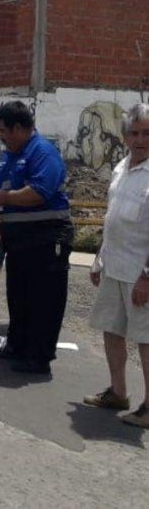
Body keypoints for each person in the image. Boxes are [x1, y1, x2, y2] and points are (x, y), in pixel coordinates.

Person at [0, 101, 72, 374]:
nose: (2, 137)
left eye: (4, 131)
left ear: (19, 128)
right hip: (19, 241)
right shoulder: (12, 154)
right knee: (18, 294)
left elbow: (38, 192)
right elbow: (0, 185)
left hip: (46, 238)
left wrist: (2, 197)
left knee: (44, 298)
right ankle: (17, 345)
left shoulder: (43, 152)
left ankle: (40, 356)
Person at [84, 103, 149, 427]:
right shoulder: (122, 167)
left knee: (147, 340)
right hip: (115, 267)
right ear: (125, 137)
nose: (140, 139)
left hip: (141, 273)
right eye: (134, 133)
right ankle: (118, 392)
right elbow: (113, 220)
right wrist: (99, 260)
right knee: (112, 330)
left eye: (147, 133)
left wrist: (147, 277)